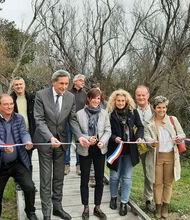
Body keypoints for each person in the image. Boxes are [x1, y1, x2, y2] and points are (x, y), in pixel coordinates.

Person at [33, 70, 90, 220]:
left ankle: (57, 207)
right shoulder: (41, 95)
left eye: (66, 84)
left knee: (59, 177)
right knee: (46, 178)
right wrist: (50, 137)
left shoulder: (70, 97)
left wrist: (80, 136)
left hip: (62, 142)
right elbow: (39, 120)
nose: (64, 87)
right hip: (45, 142)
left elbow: (72, 119)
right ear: (53, 82)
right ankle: (46, 212)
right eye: (61, 84)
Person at [0, 94, 38, 220]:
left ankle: (30, 211)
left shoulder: (19, 118)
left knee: (30, 187)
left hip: (17, 162)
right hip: (0, 164)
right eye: (6, 104)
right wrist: (4, 146)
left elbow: (24, 132)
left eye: (11, 104)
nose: (9, 107)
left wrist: (28, 141)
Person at [144, 96, 186, 219]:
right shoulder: (149, 123)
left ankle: (165, 207)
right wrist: (151, 142)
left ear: (166, 108)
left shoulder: (173, 120)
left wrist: (179, 138)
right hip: (156, 157)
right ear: (154, 108)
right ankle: (157, 207)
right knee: (157, 183)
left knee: (168, 183)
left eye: (164, 107)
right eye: (159, 107)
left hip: (171, 157)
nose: (161, 110)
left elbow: (182, 133)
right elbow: (146, 137)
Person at [106, 89, 144, 216]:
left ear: (127, 101)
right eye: (118, 100)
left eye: (123, 100)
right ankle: (113, 197)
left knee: (127, 177)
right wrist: (114, 138)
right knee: (114, 176)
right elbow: (106, 130)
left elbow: (140, 126)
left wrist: (139, 137)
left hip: (130, 150)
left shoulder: (133, 112)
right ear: (114, 101)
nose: (121, 103)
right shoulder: (110, 114)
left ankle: (123, 202)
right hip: (115, 149)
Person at [76, 88, 111, 220]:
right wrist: (86, 138)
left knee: (99, 179)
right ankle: (86, 207)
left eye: (98, 98)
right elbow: (77, 132)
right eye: (94, 98)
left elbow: (108, 130)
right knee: (84, 179)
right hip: (85, 149)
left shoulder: (104, 113)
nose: (96, 101)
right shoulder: (79, 114)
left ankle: (97, 207)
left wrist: (102, 141)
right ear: (88, 99)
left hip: (100, 150)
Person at [11, 76, 36, 190]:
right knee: (17, 159)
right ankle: (18, 182)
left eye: (21, 84)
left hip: (29, 132)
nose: (19, 86)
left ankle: (29, 183)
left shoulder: (31, 98)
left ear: (24, 85)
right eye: (16, 84)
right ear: (13, 86)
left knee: (28, 159)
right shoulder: (10, 99)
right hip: (15, 133)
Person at [135, 85, 154, 211]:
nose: (141, 97)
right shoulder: (130, 109)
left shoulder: (155, 109)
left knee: (149, 173)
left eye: (143, 95)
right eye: (138, 95)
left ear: (148, 96)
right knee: (125, 170)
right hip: (133, 145)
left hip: (149, 147)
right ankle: (121, 192)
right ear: (135, 96)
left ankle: (148, 199)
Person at [65, 74, 87, 175]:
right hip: (68, 122)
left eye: (83, 80)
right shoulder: (67, 93)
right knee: (67, 144)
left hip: (80, 123)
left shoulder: (85, 94)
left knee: (79, 144)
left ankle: (79, 165)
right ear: (75, 82)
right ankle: (66, 165)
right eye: (81, 80)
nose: (83, 82)